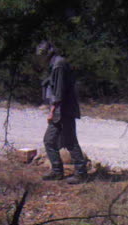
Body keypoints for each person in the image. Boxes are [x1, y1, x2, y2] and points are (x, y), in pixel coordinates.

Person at [36, 40, 88, 184]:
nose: (41, 58)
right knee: (49, 141)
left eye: (42, 54)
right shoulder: (55, 63)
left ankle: (81, 173)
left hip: (64, 110)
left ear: (48, 52)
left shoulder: (59, 64)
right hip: (61, 110)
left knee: (70, 141)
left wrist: (52, 111)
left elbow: (59, 92)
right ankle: (57, 171)